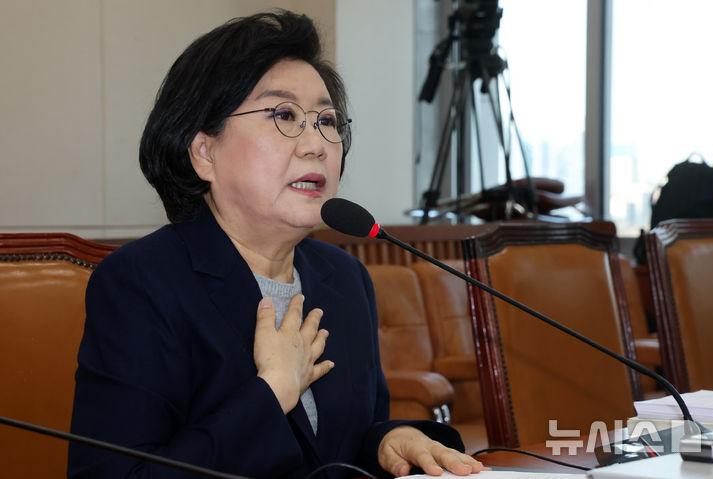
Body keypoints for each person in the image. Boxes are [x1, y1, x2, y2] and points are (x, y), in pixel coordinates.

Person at [68, 10, 486, 479]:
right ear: (204, 152)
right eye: (284, 115)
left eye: (327, 120)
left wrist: (387, 441)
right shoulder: (142, 284)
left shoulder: (345, 278)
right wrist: (271, 392)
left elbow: (340, 444)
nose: (316, 145)